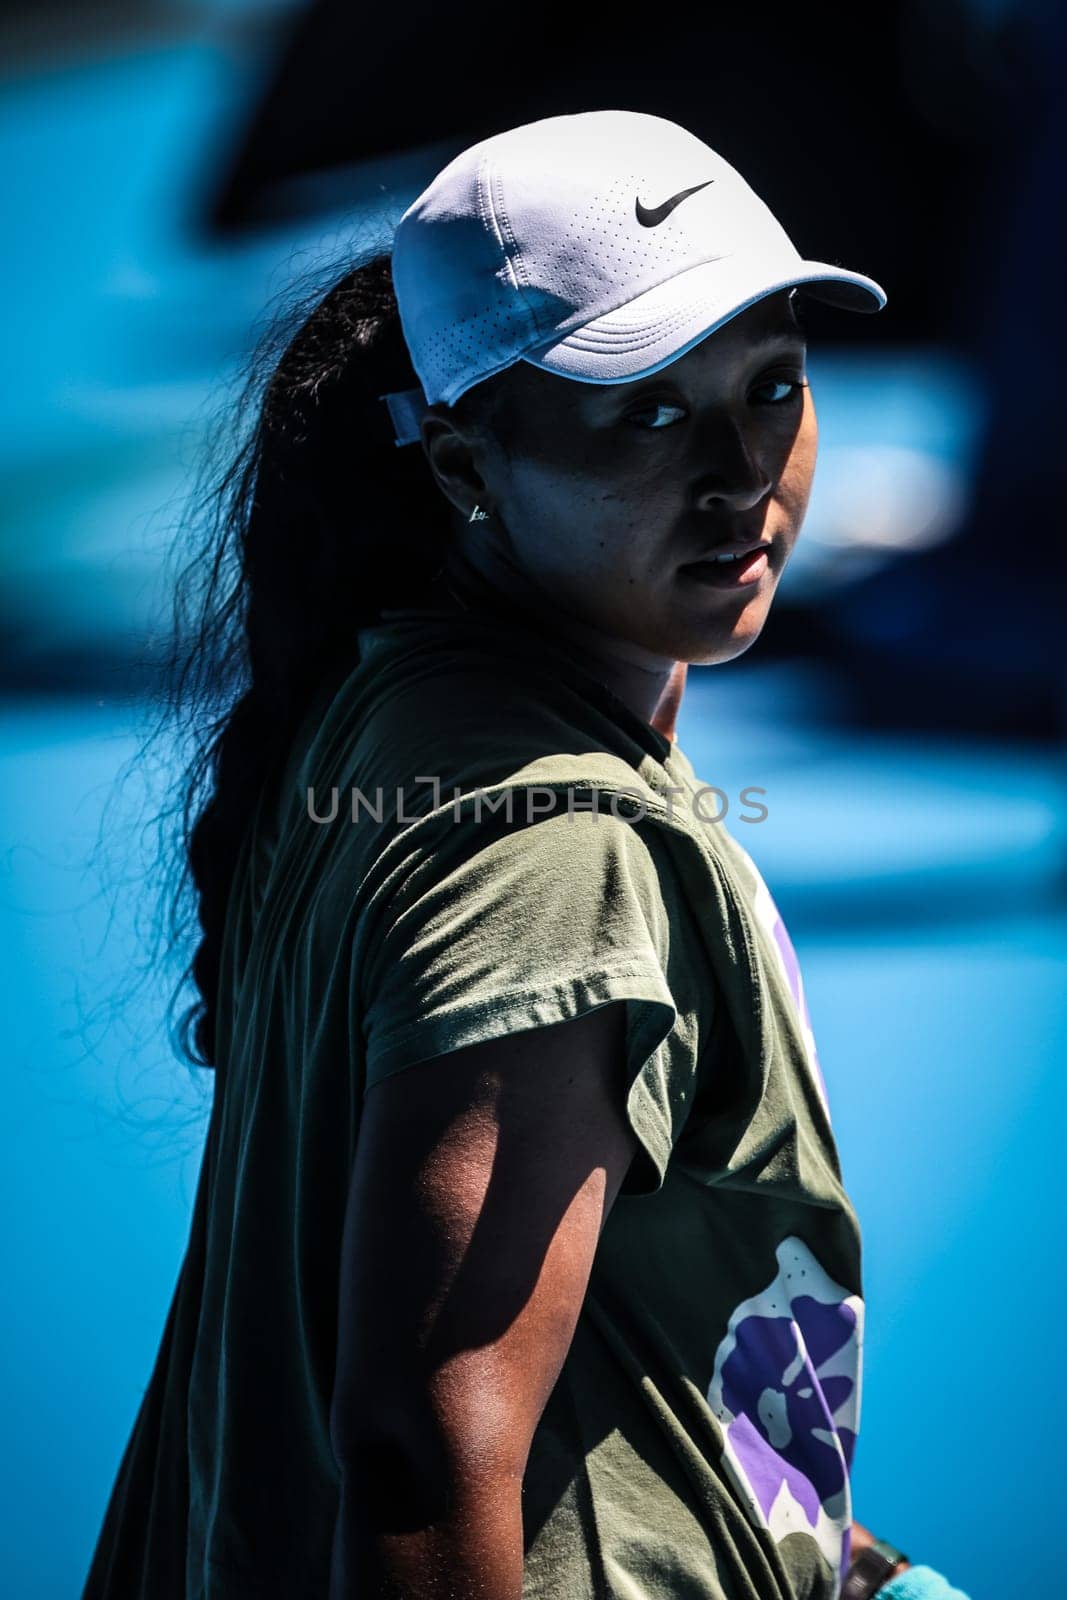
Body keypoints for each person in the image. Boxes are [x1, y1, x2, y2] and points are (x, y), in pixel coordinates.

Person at [82, 110, 971, 1600]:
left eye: (773, 386)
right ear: (461, 457)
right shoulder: (555, 854)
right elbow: (427, 1459)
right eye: (644, 411)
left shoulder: (390, 698)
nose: (740, 468)